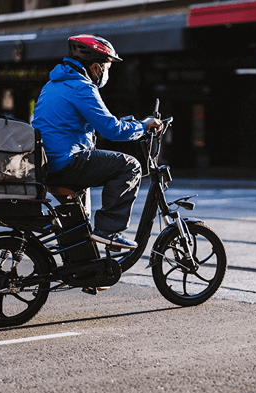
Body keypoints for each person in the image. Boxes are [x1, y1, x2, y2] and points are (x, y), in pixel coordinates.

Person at [32, 34, 162, 250]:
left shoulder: (53, 85)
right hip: (67, 163)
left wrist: (133, 124)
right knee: (129, 165)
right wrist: (144, 126)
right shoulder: (81, 87)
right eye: (107, 68)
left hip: (49, 165)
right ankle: (110, 230)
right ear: (95, 67)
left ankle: (87, 275)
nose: (107, 73)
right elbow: (111, 130)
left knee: (78, 224)